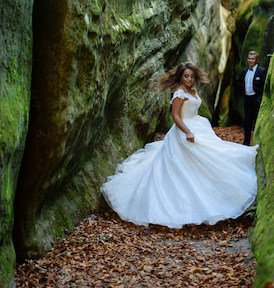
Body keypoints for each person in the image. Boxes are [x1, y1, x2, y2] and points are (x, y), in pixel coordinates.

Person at [101, 62, 258, 228]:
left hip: (199, 126)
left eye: (191, 76)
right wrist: (188, 131)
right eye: (186, 76)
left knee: (209, 158)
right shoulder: (179, 93)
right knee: (184, 165)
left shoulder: (193, 91)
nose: (189, 79)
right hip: (184, 130)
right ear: (180, 77)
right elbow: (176, 116)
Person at [242, 51, 266, 146]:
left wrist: (259, 99)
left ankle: (257, 143)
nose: (250, 60)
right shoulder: (245, 72)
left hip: (256, 100)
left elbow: (264, 87)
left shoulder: (261, 71)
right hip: (247, 100)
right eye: (249, 58)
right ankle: (246, 143)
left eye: (252, 59)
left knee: (256, 122)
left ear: (257, 60)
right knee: (247, 122)